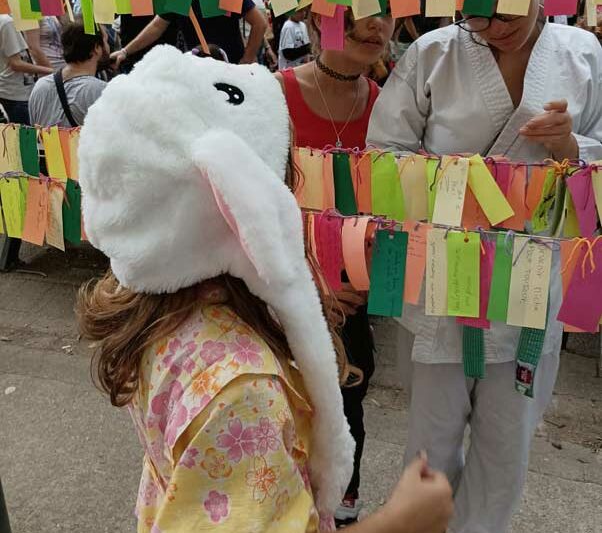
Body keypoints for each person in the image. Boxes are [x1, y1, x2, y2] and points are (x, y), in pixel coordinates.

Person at [76, 45, 453, 533]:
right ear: (240, 206)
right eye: (280, 184)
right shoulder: (243, 388)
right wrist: (401, 522)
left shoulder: (159, 312)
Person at [367, 0, 602, 533]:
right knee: (430, 439)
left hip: (529, 275)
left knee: (507, 441)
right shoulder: (434, 52)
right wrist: (450, 187)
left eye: (500, 11)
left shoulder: (582, 55)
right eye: (473, 13)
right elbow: (383, 152)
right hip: (443, 267)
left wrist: (572, 148)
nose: (487, 27)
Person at [275, 9, 395, 526]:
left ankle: (341, 503)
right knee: (279, 409)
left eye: (385, 13)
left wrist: (368, 282)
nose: (376, 27)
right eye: (355, 13)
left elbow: (401, 212)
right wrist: (306, 282)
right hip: (280, 292)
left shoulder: (396, 108)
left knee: (348, 404)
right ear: (314, 15)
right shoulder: (272, 96)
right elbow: (249, 203)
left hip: (353, 300)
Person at [111, 0, 267, 67]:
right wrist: (125, 51)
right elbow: (157, 26)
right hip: (196, 69)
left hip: (230, 65)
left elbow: (259, 24)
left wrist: (247, 58)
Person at [28, 20, 109, 127]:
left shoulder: (40, 86)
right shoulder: (101, 91)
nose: (108, 46)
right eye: (106, 41)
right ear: (97, 48)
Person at [0, 14, 52, 124]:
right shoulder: (7, 22)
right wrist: (51, 72)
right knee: (27, 137)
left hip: (17, 90)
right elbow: (16, 64)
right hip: (16, 93)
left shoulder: (11, 19)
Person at [241, 0, 277, 67]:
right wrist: (249, 52)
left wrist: (267, 47)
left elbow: (261, 20)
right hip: (247, 44)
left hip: (259, 44)